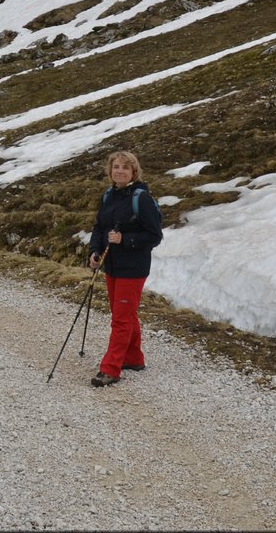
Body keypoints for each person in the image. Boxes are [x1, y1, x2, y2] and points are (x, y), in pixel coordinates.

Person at [87, 150, 163, 387]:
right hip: (112, 265)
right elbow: (100, 227)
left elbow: (154, 236)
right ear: (110, 171)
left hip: (133, 267)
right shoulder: (109, 195)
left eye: (125, 167)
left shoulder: (142, 199)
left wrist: (126, 240)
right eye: (116, 166)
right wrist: (95, 251)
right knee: (124, 315)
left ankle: (111, 368)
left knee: (120, 319)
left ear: (133, 171)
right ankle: (134, 358)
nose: (119, 170)